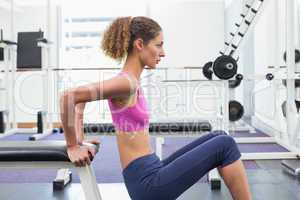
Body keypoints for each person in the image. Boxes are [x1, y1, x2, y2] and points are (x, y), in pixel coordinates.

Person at [60, 16, 252, 200]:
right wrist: (72, 146)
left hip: (150, 169)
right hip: (147, 184)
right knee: (226, 145)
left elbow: (80, 100)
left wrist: (79, 141)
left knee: (218, 136)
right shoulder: (127, 83)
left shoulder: (129, 80)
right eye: (158, 45)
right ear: (140, 45)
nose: (163, 52)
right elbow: (69, 96)